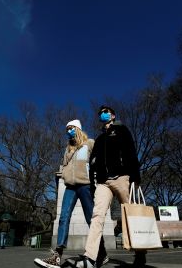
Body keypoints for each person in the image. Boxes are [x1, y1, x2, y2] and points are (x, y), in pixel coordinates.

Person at [73, 106, 146, 268]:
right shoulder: (99, 139)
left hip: (122, 177)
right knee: (97, 216)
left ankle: (140, 253)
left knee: (131, 215)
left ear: (112, 115)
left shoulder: (122, 130)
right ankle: (90, 257)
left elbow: (131, 152)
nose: (103, 114)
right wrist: (93, 183)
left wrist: (135, 176)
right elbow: (92, 162)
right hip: (103, 182)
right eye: (100, 113)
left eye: (106, 111)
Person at [34, 119, 108, 268]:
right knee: (64, 217)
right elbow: (66, 167)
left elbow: (100, 159)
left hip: (85, 185)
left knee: (91, 220)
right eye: (67, 129)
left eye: (71, 128)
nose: (68, 131)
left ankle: (101, 252)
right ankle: (57, 255)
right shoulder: (68, 148)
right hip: (70, 187)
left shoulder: (90, 143)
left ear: (78, 128)